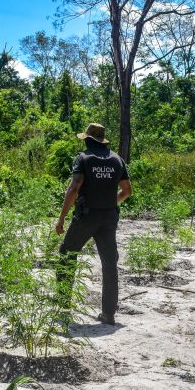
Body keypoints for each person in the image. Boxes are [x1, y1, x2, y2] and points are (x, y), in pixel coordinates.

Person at [56, 123, 132, 326]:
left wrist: (62, 217)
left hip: (86, 217)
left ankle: (62, 307)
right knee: (109, 264)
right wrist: (109, 203)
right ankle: (109, 314)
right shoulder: (117, 160)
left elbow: (74, 188)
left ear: (87, 140)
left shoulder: (83, 158)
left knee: (67, 254)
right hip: (109, 218)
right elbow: (126, 192)